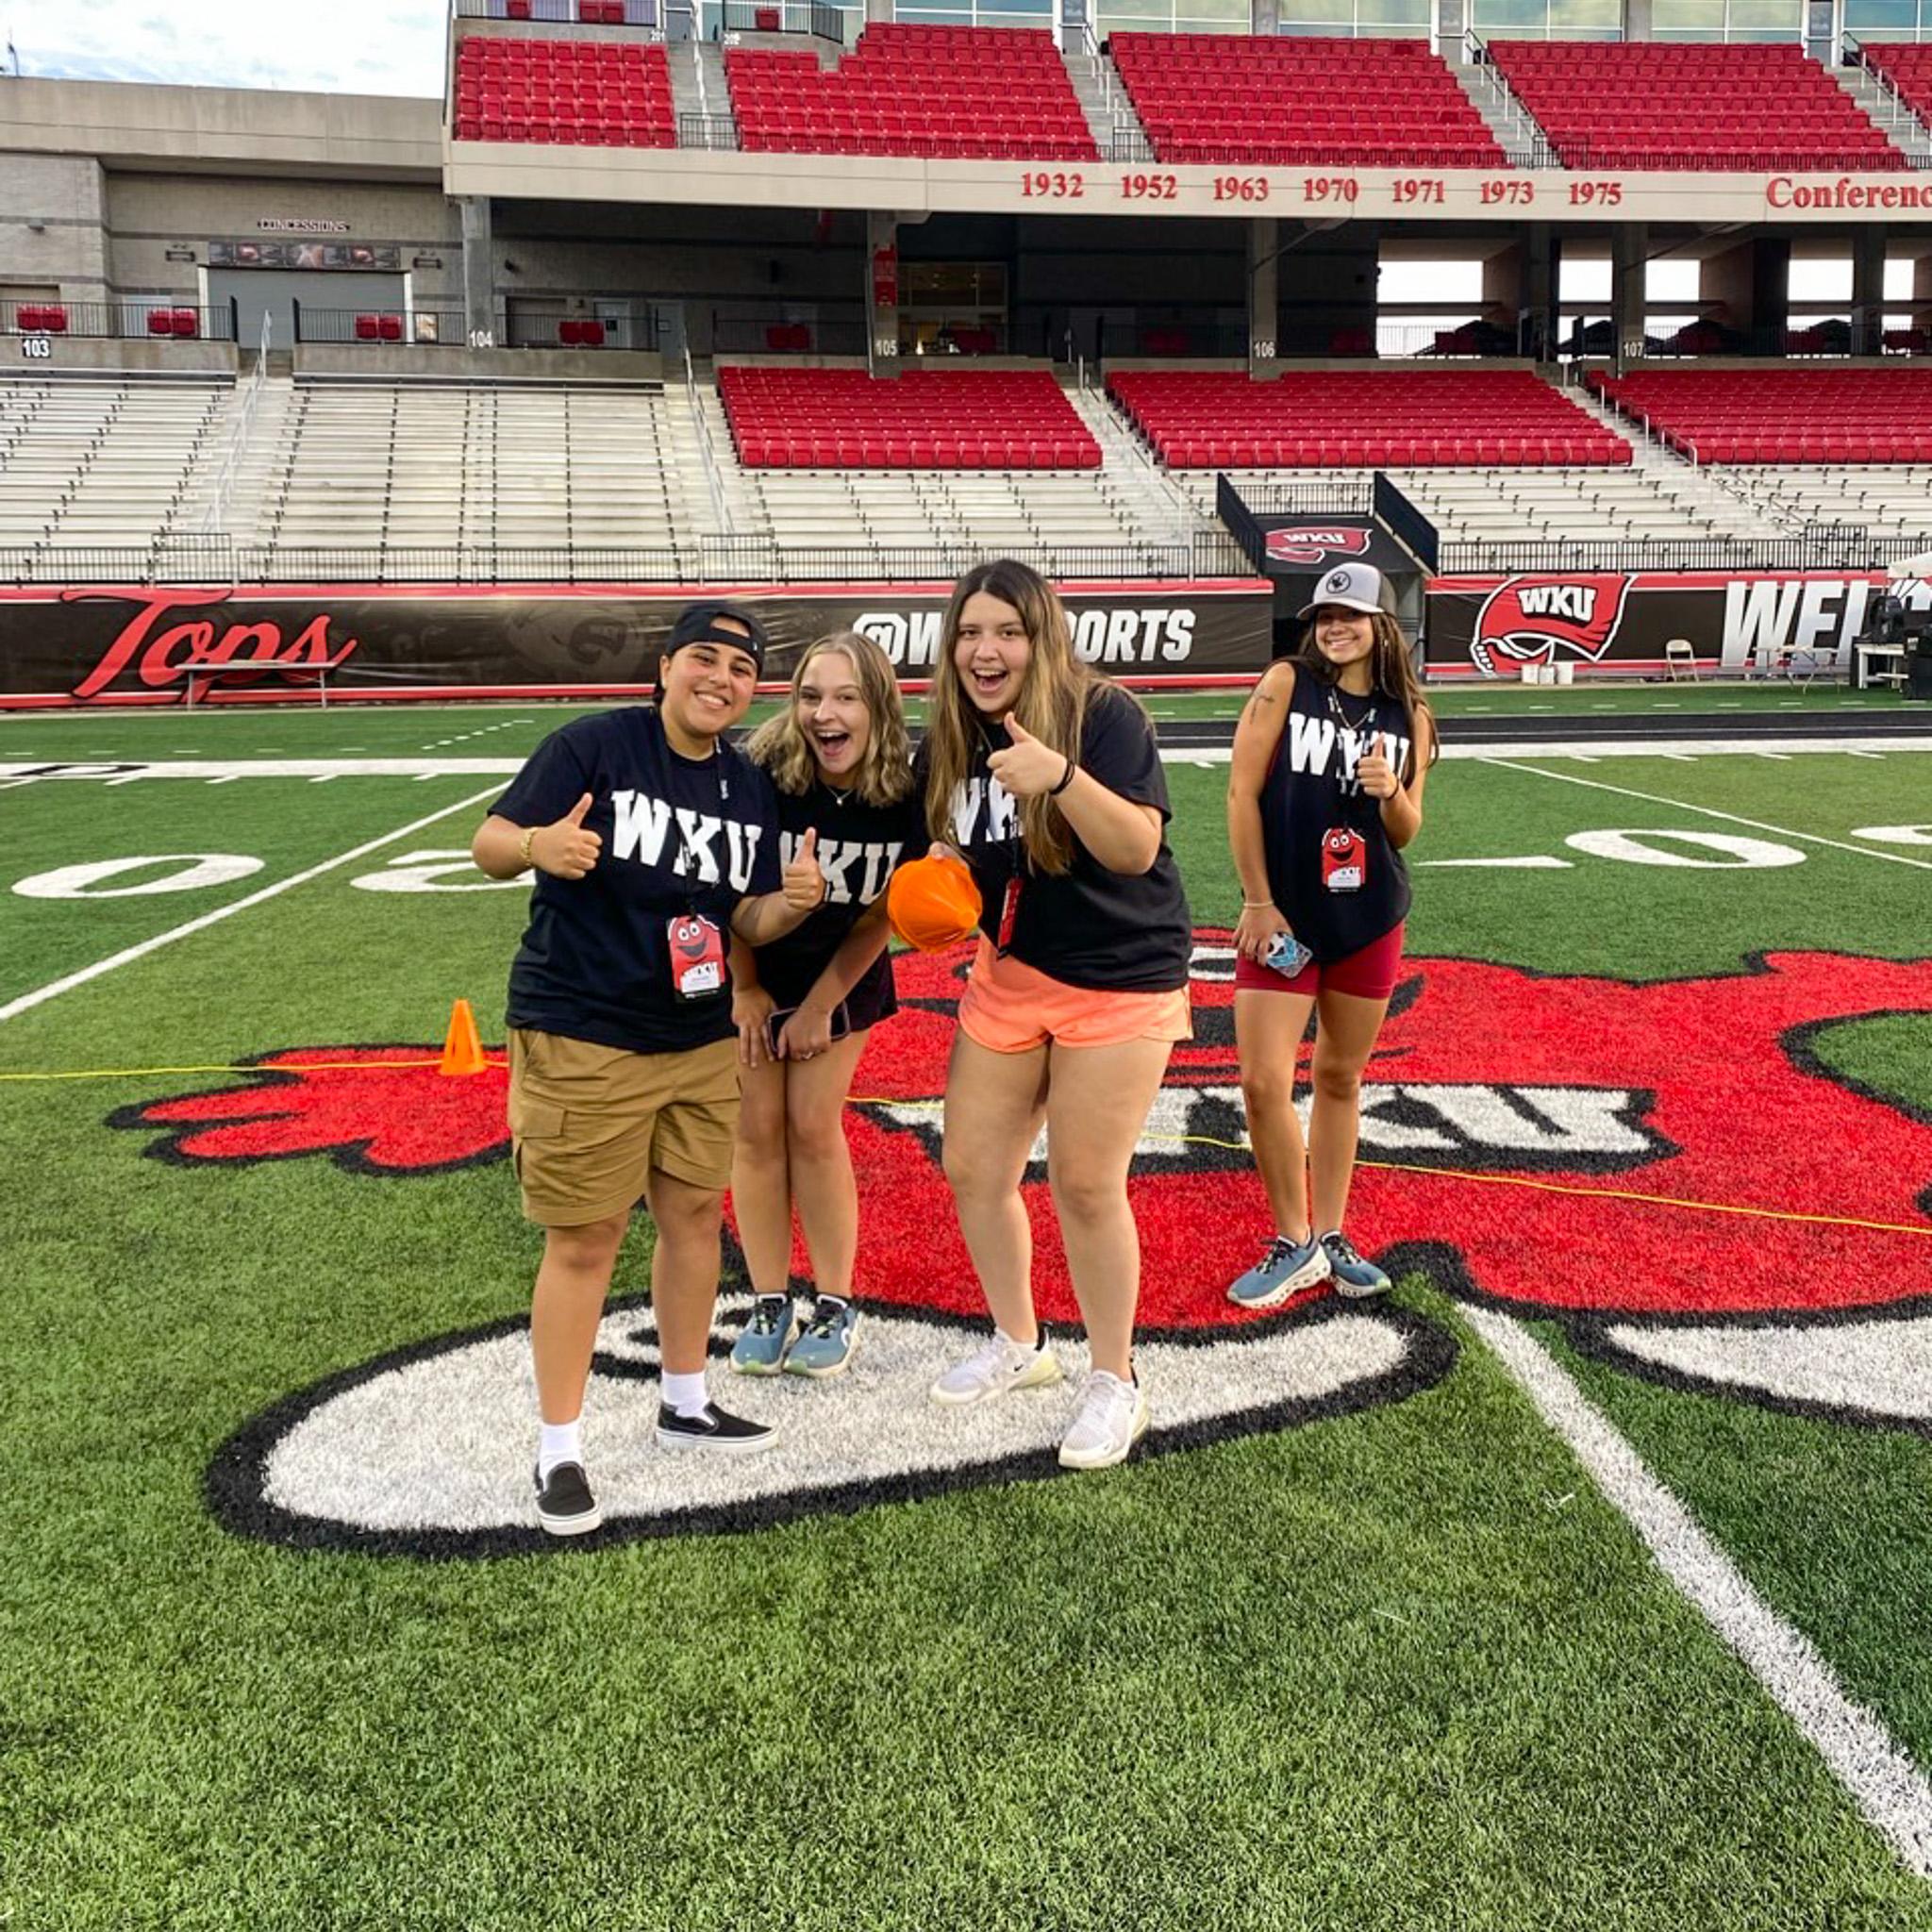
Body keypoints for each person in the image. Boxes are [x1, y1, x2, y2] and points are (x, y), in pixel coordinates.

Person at [471, 603, 825, 1537]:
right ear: (665, 667)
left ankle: (684, 1398)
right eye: (702, 658)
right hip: (585, 1030)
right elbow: (488, 844)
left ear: (755, 687)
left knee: (692, 1218)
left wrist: (787, 908)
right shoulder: (593, 746)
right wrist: (534, 847)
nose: (720, 677)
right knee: (584, 1239)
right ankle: (557, 1448)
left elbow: (740, 921)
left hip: (699, 1036)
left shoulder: (745, 787)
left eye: (740, 667)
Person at [918, 558, 1192, 1472]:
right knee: (971, 1164)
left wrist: (1059, 775)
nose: (983, 649)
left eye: (1006, 630)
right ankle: (1020, 1341)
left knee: (1082, 1181)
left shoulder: (1099, 714)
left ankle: (1114, 1376)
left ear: (1042, 637)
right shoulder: (950, 738)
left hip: (1120, 973)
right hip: (1011, 972)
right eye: (968, 631)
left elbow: (1134, 844)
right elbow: (948, 851)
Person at [1224, 561, 1438, 1310]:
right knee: (1260, 1082)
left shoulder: (1409, 713)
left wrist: (1389, 796)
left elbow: (1408, 830)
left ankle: (1334, 1230)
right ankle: (1295, 1239)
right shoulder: (1286, 683)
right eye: (1324, 617)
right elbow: (1241, 792)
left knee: (1341, 1077)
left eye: (1350, 615)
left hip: (1369, 913)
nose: (1334, 627)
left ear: (1383, 626)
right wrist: (1256, 900)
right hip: (1285, 916)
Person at [725, 630, 923, 1380]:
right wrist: (747, 989)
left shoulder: (905, 790)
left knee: (812, 1125)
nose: (825, 713)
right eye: (811, 696)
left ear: (877, 705)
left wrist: (819, 1006)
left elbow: (882, 914)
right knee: (756, 1128)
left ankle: (836, 1300)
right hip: (751, 961)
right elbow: (725, 892)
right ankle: (770, 1298)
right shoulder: (759, 772)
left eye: (846, 697)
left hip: (841, 969)